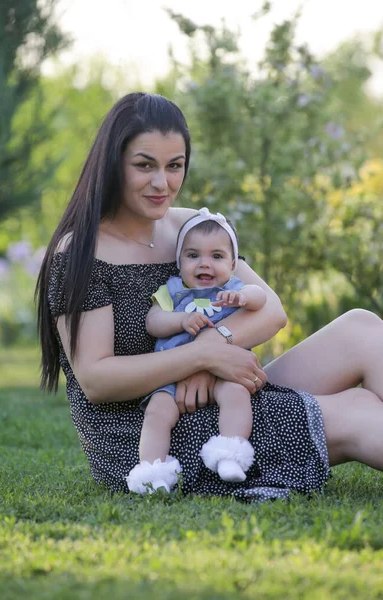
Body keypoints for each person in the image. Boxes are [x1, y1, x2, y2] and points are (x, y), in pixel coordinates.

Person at [36, 92, 383, 503]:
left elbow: (270, 310)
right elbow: (96, 380)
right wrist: (199, 359)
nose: (162, 183)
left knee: (362, 328)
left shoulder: (189, 228)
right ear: (114, 163)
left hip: (222, 392)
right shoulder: (80, 252)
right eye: (144, 165)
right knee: (358, 411)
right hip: (150, 432)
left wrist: (212, 347)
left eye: (174, 165)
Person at [127, 208, 268, 493]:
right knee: (157, 412)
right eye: (193, 256)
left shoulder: (232, 289)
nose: (205, 264)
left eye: (217, 256)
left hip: (223, 372)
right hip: (172, 375)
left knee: (237, 394)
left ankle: (231, 454)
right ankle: (153, 473)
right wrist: (180, 319)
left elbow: (261, 297)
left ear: (232, 265)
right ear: (179, 263)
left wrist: (242, 297)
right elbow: (152, 322)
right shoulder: (172, 291)